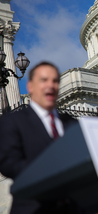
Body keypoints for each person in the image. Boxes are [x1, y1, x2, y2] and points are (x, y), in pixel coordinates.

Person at [0, 62, 76, 214]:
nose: (50, 85)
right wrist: (52, 172)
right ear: (30, 86)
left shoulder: (71, 122)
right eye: (43, 80)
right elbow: (8, 163)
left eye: (55, 81)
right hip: (34, 207)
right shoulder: (13, 121)